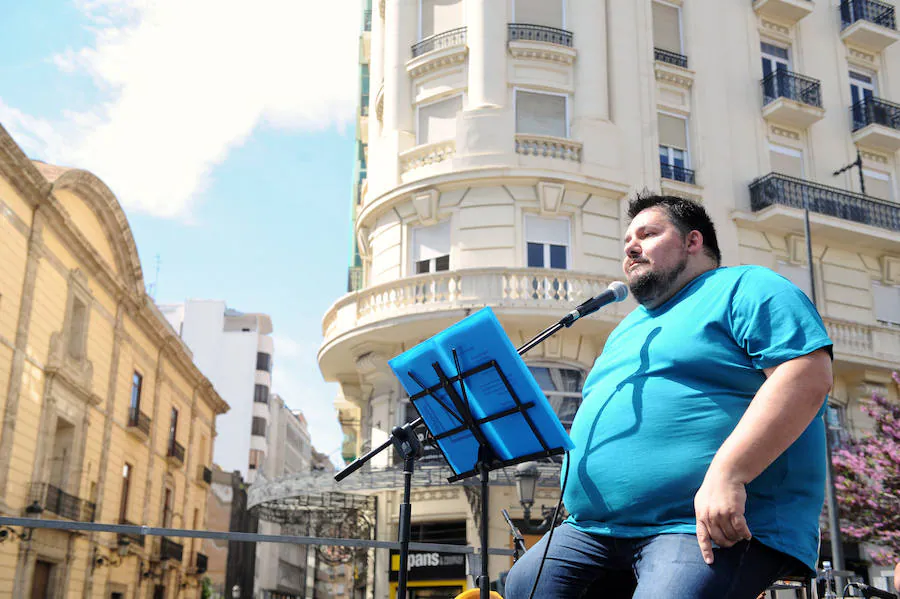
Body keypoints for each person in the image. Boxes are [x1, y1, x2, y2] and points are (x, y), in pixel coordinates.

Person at [504, 194, 834, 599]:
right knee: (523, 583)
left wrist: (728, 474)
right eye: (626, 240)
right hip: (592, 527)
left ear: (692, 242)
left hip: (699, 523)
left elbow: (806, 374)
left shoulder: (748, 286)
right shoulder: (624, 330)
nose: (630, 246)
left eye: (647, 234)